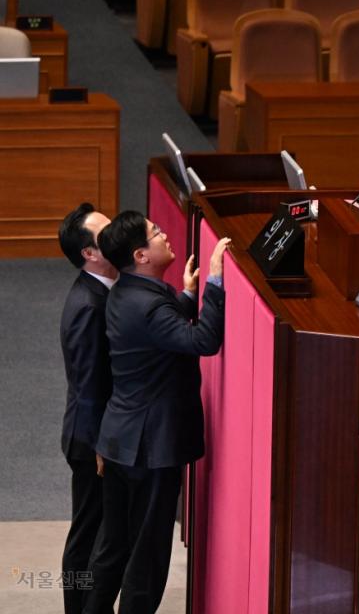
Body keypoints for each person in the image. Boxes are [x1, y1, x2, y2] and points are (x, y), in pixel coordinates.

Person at [82, 210, 230, 614]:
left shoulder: (125, 291)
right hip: (151, 448)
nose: (164, 234)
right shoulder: (146, 304)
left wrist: (185, 296)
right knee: (147, 556)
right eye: (155, 233)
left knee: (113, 549)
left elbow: (157, 333)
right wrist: (215, 281)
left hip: (119, 441)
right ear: (141, 255)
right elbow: (203, 341)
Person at [58, 203, 118, 614]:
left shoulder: (106, 290)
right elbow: (89, 383)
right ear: (89, 254)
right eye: (106, 234)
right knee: (87, 536)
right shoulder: (88, 306)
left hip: (97, 436)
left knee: (100, 533)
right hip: (89, 440)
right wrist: (100, 445)